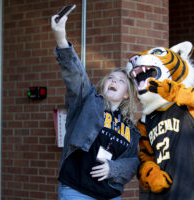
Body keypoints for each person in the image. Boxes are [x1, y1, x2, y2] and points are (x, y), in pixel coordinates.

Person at [51, 13, 140, 200]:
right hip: (76, 191)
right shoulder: (88, 100)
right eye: (111, 78)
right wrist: (61, 39)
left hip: (109, 195)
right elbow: (76, 76)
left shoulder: (131, 128)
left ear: (126, 94)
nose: (114, 81)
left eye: (121, 81)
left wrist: (113, 169)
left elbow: (133, 162)